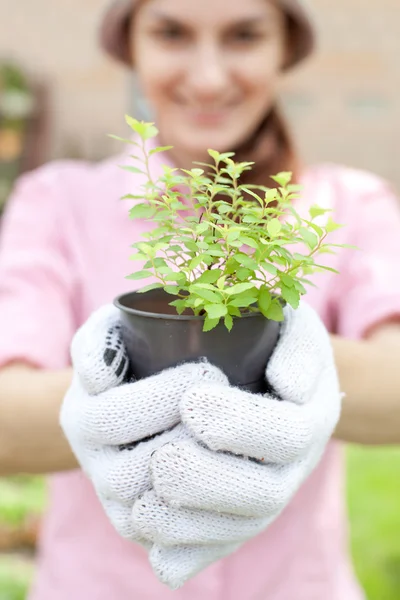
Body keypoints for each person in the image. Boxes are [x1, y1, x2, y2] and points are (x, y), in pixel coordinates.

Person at [0, 0, 400, 598]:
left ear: (283, 48)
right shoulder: (57, 201)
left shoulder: (351, 204)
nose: (209, 77)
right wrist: (95, 403)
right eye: (171, 33)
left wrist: (306, 365)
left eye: (244, 35)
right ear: (129, 46)